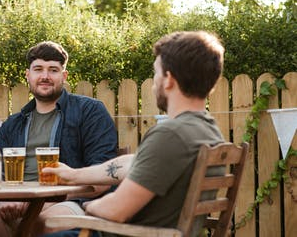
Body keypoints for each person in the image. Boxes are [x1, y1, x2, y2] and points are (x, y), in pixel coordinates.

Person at [43, 31, 226, 236]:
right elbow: (134, 163)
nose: (154, 82)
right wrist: (74, 175)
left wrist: (90, 206)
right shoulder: (207, 130)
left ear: (169, 80)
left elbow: (115, 210)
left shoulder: (171, 135)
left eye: (156, 73)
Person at [0, 41, 118, 237]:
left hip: (66, 201)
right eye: (38, 69)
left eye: (53, 70)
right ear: (28, 75)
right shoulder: (12, 125)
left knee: (46, 222)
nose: (45, 76)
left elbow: (103, 178)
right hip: (14, 205)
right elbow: (0, 178)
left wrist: (42, 200)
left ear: (64, 76)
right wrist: (6, 200)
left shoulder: (89, 111)